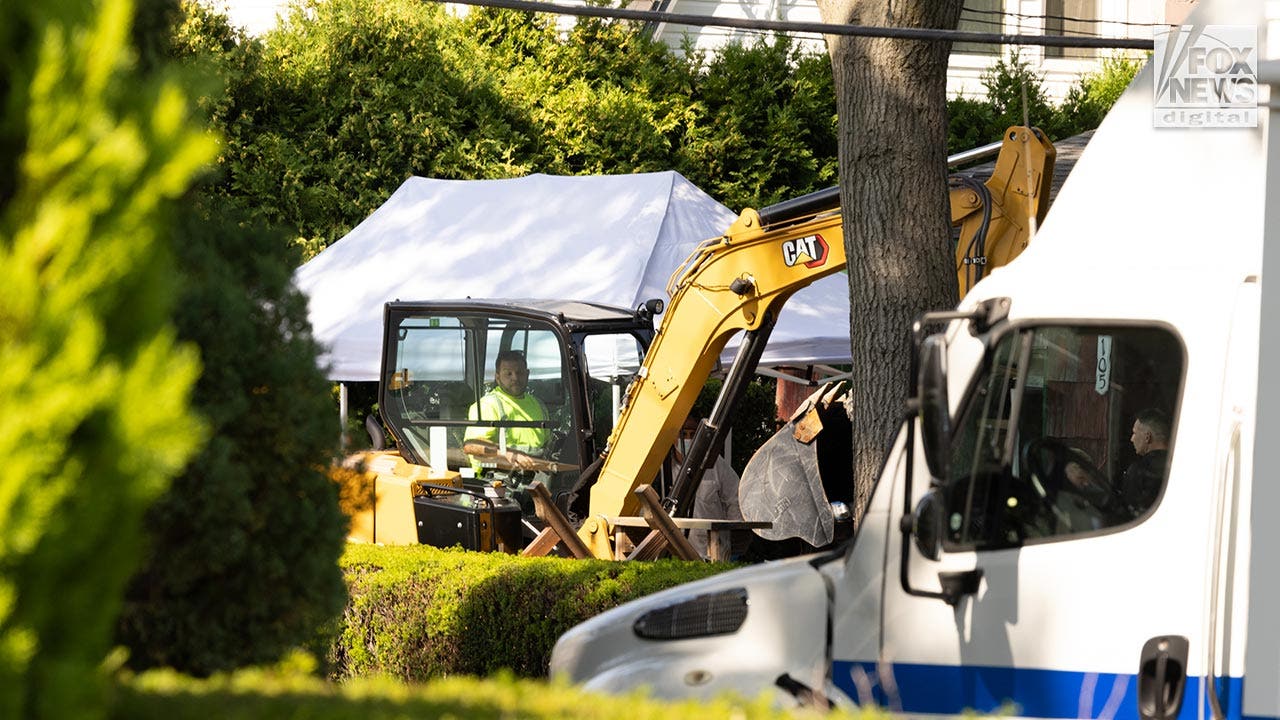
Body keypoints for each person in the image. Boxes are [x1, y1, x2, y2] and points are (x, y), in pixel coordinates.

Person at [462, 350, 549, 477]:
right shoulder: (488, 405)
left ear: (527, 374)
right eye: (508, 373)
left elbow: (547, 444)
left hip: (534, 479)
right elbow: (471, 446)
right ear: (497, 377)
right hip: (496, 484)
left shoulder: (539, 405)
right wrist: (509, 454)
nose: (515, 378)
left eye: (519, 373)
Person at [1118, 407, 1171, 517]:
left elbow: (1128, 515)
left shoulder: (1138, 470)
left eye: (1134, 433)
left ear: (1147, 437)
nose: (1132, 439)